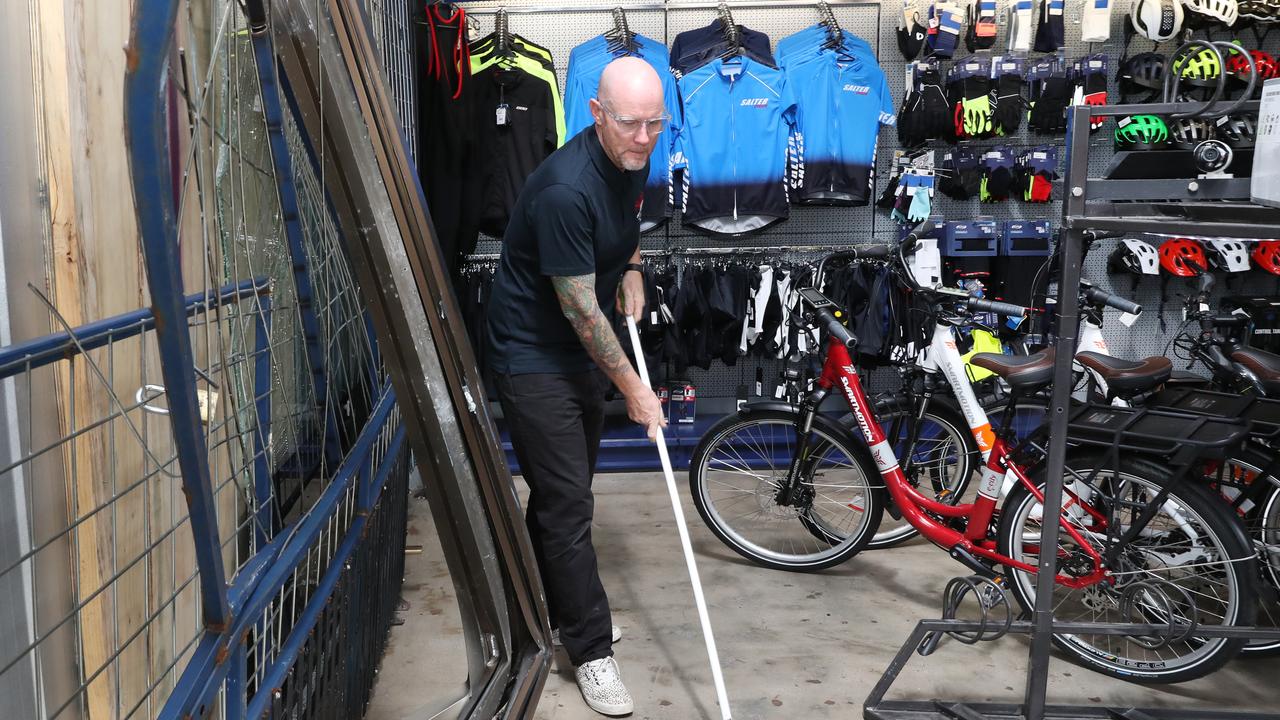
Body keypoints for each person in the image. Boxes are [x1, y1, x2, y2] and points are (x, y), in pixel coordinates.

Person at [484, 56, 669, 717]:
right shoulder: (566, 189)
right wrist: (635, 390)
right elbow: (580, 310)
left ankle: (546, 609)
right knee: (567, 508)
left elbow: (626, 220)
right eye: (630, 124)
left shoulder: (632, 154)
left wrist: (633, 268)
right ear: (596, 116)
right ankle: (590, 651)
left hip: (573, 346)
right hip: (532, 352)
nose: (644, 137)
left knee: (564, 494)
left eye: (655, 123)